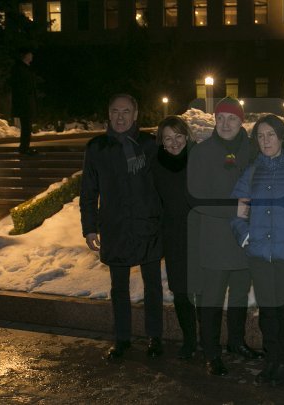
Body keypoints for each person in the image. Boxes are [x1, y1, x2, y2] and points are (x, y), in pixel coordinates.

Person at [230, 115, 284, 387]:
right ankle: (271, 359)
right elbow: (238, 211)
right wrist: (245, 237)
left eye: (271, 135)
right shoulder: (252, 171)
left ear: (282, 137)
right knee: (267, 312)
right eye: (260, 136)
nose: (266, 140)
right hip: (260, 255)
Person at [80, 94, 164, 360]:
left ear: (135, 115)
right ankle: (122, 339)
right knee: (119, 287)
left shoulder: (150, 145)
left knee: (153, 286)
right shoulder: (97, 148)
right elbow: (89, 191)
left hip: (148, 225)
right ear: (109, 113)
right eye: (115, 111)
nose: (120, 117)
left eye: (126, 111)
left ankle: (155, 337)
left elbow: (164, 184)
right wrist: (90, 227)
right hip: (115, 227)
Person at [187, 97, 264, 376]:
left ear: (241, 120)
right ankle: (211, 352)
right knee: (212, 299)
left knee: (240, 296)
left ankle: (235, 342)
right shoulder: (201, 152)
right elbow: (196, 197)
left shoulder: (254, 150)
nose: (226, 123)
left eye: (232, 118)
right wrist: (237, 208)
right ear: (214, 120)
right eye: (220, 118)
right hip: (215, 241)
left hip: (245, 242)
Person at [152, 116, 199, 360]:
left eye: (178, 136)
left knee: (203, 290)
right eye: (168, 138)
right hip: (174, 235)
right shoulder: (156, 164)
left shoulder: (201, 158)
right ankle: (190, 341)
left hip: (201, 233)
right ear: (161, 141)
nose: (174, 143)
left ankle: (209, 341)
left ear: (187, 135)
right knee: (181, 291)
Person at [10, 48, 38, 155]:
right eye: (30, 54)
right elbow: (20, 87)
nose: (32, 56)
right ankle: (24, 148)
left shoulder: (25, 68)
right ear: (25, 56)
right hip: (24, 103)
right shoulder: (20, 69)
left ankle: (25, 147)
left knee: (27, 126)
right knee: (26, 126)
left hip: (27, 102)